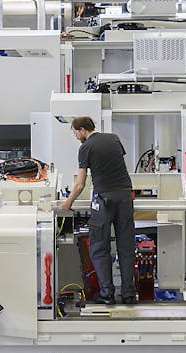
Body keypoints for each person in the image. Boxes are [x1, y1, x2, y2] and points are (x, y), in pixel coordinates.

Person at [61, 116, 137, 305]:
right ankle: (128, 294)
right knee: (126, 247)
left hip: (104, 199)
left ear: (82, 130)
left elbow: (80, 184)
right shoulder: (114, 138)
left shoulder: (85, 148)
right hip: (126, 196)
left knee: (99, 248)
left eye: (75, 133)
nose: (76, 137)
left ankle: (107, 294)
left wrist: (67, 203)